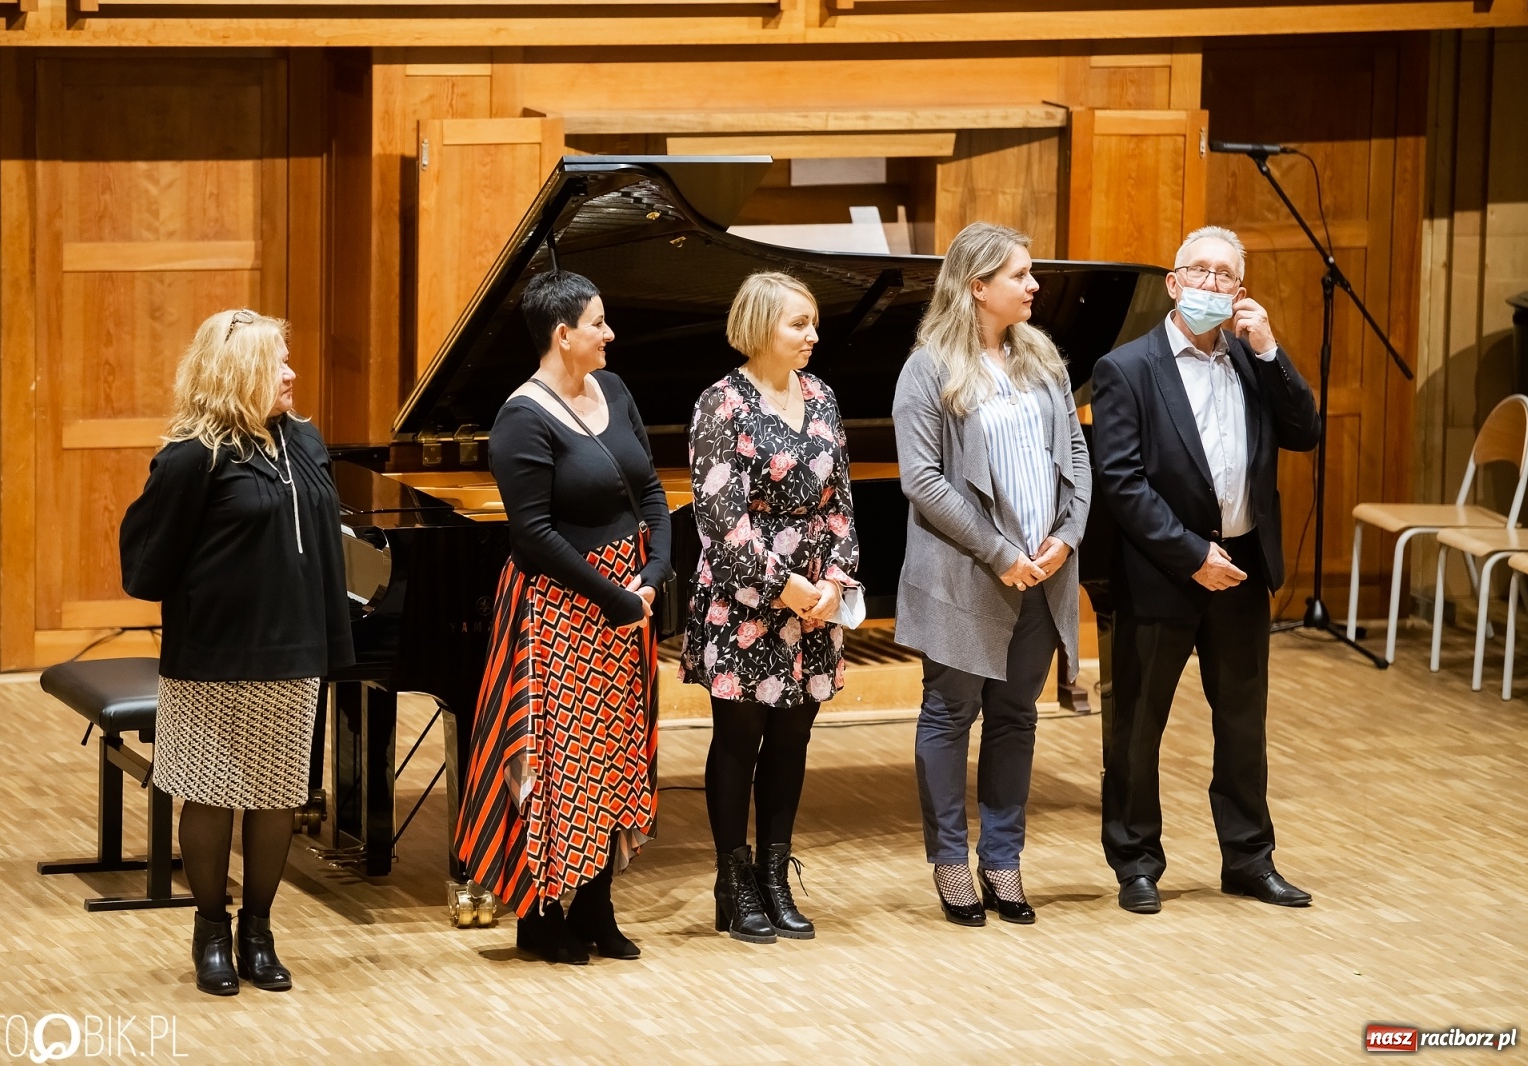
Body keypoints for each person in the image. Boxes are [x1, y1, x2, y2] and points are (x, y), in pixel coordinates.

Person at [121, 309, 353, 996]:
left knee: (278, 793)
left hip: (294, 650)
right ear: (237, 374)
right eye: (275, 364)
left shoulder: (304, 442)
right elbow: (147, 561)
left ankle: (259, 929)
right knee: (212, 794)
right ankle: (211, 930)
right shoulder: (194, 454)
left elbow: (325, 549)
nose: (290, 373)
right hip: (216, 654)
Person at [1092, 225, 1321, 915]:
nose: (1211, 285)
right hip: (1164, 573)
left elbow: (1306, 431)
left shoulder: (1255, 362)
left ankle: (1250, 859)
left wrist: (1271, 350)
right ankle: (1136, 864)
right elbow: (1122, 482)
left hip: (1244, 569)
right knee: (1137, 726)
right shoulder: (1127, 368)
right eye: (1200, 272)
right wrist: (1193, 555)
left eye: (1226, 276)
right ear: (1173, 282)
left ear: (1240, 292)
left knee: (1243, 725)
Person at [455, 270, 671, 965]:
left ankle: (597, 908)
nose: (610, 334)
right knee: (556, 765)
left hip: (624, 604)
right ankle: (542, 916)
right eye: (599, 323)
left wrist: (655, 569)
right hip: (557, 611)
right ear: (564, 334)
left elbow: (651, 491)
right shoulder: (521, 417)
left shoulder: (615, 389)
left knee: (612, 756)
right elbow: (533, 536)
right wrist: (614, 598)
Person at [892, 223, 1092, 928]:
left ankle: (1002, 861)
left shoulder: (1042, 359)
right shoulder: (928, 368)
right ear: (978, 287)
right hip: (969, 574)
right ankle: (951, 862)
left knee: (1016, 718)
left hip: (1045, 572)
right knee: (950, 715)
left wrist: (1065, 538)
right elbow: (921, 480)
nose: (1034, 285)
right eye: (1020, 275)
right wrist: (1000, 553)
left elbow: (1075, 451)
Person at [680, 271, 860, 944]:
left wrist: (835, 584)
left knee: (793, 739)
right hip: (747, 600)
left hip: (816, 602)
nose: (812, 335)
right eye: (798, 324)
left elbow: (841, 501)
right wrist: (786, 587)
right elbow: (720, 522)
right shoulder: (720, 403)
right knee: (739, 741)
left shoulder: (822, 396)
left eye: (813, 323)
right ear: (759, 326)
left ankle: (776, 876)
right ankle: (734, 882)